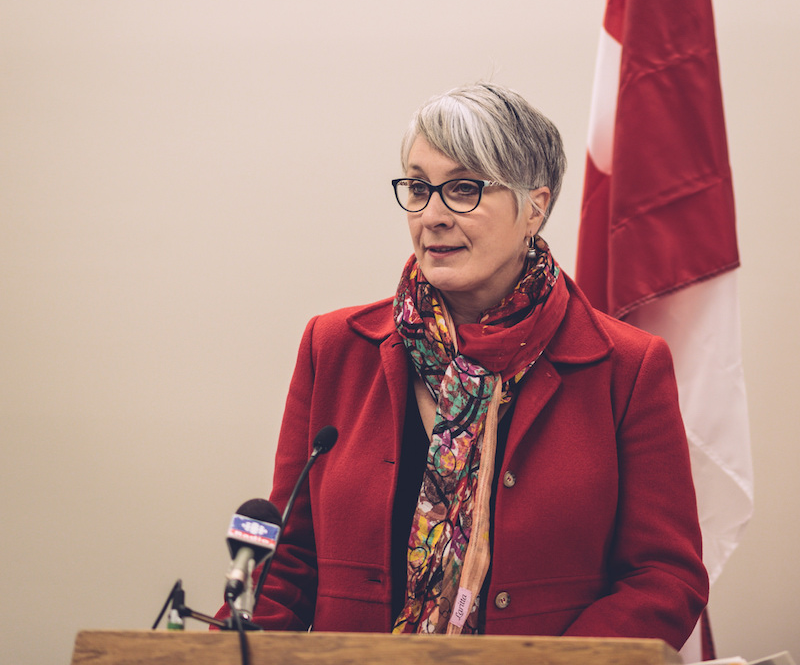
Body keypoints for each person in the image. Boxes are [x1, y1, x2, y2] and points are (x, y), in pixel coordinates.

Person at [246, 82, 708, 648]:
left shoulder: (626, 369)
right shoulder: (334, 348)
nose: (433, 215)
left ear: (535, 206)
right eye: (418, 187)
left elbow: (664, 580)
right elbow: (288, 560)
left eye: (463, 188)